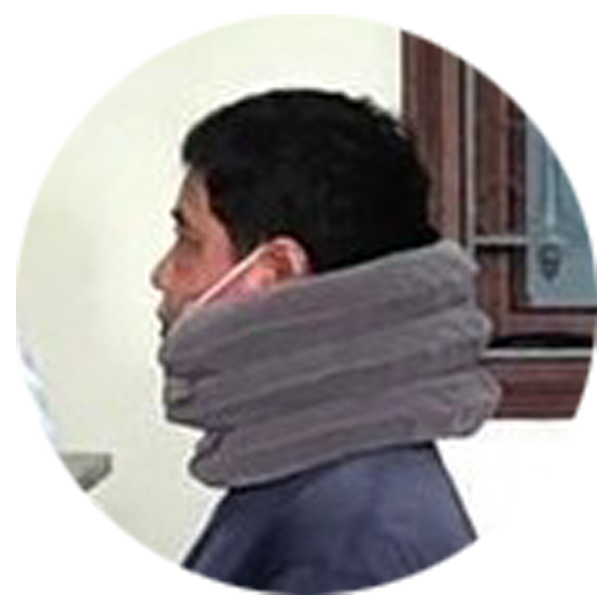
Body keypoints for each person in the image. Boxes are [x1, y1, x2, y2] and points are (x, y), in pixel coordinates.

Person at [152, 89, 500, 595]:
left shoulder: (350, 538)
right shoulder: (323, 474)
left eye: (188, 241)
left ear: (275, 270)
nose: (162, 275)